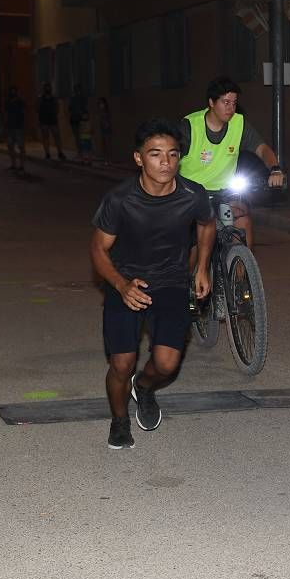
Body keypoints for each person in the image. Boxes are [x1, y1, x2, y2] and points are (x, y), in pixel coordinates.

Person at [89, 118, 215, 449]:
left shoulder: (192, 194)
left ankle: (143, 387)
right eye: (156, 154)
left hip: (172, 283)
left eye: (173, 155)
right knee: (121, 363)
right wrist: (120, 284)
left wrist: (202, 267)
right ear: (138, 158)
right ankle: (119, 421)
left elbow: (206, 225)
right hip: (126, 283)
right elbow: (98, 249)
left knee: (166, 365)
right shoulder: (119, 199)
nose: (166, 162)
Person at [178, 76, 285, 250]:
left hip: (224, 193)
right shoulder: (190, 126)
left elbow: (263, 149)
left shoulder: (239, 124)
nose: (231, 108)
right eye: (225, 102)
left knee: (243, 220)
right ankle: (193, 275)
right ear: (211, 102)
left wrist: (275, 169)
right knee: (193, 245)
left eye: (234, 103)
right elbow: (172, 157)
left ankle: (242, 273)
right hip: (191, 194)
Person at [37, 83, 65, 160]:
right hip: (44, 121)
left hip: (53, 120)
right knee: (46, 137)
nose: (48, 89)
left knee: (57, 137)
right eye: (46, 88)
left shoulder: (54, 98)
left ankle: (60, 152)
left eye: (49, 88)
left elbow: (57, 108)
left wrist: (54, 114)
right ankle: (47, 153)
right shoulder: (40, 98)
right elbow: (38, 110)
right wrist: (40, 121)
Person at [4, 87, 26, 172]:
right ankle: (13, 164)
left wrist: (23, 124)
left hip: (18, 127)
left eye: (14, 91)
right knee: (10, 146)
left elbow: (24, 112)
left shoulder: (20, 101)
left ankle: (22, 165)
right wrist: (5, 125)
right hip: (10, 127)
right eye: (11, 91)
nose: (13, 93)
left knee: (21, 146)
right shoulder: (7, 101)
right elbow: (6, 113)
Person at [97, 98, 113, 165]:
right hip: (103, 130)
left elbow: (107, 122)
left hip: (106, 130)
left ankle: (108, 160)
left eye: (102, 103)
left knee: (107, 145)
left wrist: (107, 126)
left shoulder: (105, 113)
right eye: (100, 104)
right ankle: (106, 160)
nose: (101, 105)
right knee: (104, 145)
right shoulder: (101, 113)